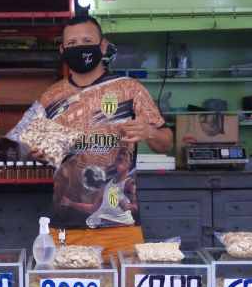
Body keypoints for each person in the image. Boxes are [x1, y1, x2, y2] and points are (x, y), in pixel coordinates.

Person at [33, 14, 173, 259]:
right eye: (72, 44)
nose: (80, 48)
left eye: (87, 40)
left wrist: (149, 132)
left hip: (121, 225)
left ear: (103, 46)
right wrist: (37, 152)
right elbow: (36, 150)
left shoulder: (130, 89)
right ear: (62, 49)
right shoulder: (50, 97)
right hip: (65, 227)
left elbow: (167, 142)